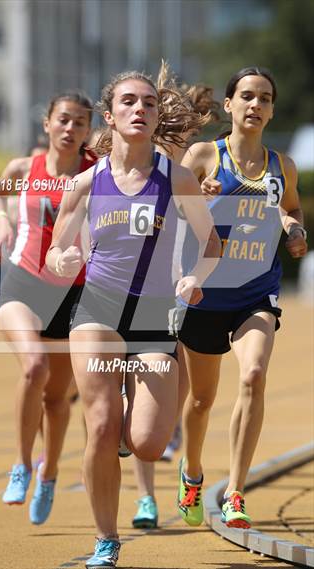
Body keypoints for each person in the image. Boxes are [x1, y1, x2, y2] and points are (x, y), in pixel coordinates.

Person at [46, 71, 220, 569]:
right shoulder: (86, 183)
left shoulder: (177, 178)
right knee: (100, 423)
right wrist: (62, 261)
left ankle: (130, 427)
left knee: (146, 444)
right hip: (98, 309)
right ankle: (106, 538)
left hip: (153, 315)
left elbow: (210, 243)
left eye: (147, 102)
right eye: (128, 102)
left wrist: (194, 276)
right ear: (111, 116)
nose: (139, 109)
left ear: (156, 114)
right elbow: (60, 247)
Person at [177, 67, 308, 529]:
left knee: (253, 374)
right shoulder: (203, 155)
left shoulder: (281, 165)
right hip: (205, 293)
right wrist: (195, 191)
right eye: (247, 96)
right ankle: (191, 472)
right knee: (200, 400)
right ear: (229, 105)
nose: (256, 105)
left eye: (265, 98)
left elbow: (290, 206)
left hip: (256, 291)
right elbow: (166, 203)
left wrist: (295, 228)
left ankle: (235, 492)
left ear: (272, 110)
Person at [0, 91, 94, 525]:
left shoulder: (96, 173)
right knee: (34, 367)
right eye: (63, 120)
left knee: (56, 399)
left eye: (80, 123)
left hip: (74, 291)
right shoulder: (23, 168)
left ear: (89, 131)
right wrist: (1, 220)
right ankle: (22, 463)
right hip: (24, 279)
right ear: (47, 123)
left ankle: (49, 472)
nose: (70, 129)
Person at [131, 60, 221, 530]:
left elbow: (206, 233)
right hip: (139, 297)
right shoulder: (129, 166)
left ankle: (183, 470)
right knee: (139, 399)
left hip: (184, 293)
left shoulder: (188, 173)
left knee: (181, 401)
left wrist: (203, 196)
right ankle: (145, 497)